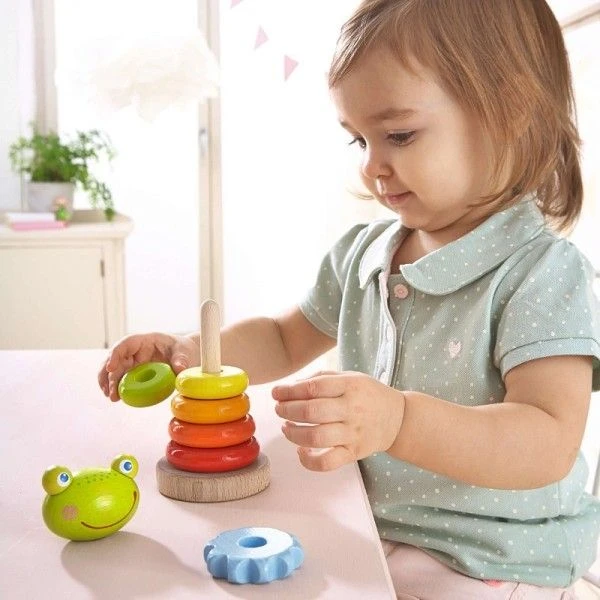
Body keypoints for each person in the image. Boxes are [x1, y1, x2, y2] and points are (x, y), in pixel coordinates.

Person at [99, 0, 600, 597]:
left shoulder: (541, 274)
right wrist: (192, 352)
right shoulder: (364, 252)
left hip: (491, 556)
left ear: (511, 111)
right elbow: (282, 339)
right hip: (373, 527)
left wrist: (399, 420)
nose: (372, 167)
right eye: (359, 140)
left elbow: (547, 439)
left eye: (399, 135)